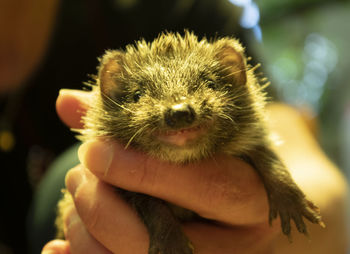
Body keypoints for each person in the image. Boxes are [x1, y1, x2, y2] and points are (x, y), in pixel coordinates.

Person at [40, 89, 348, 254]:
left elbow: (271, 139)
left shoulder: (197, 10)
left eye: (209, 85)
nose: (179, 110)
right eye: (139, 96)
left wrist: (290, 205)